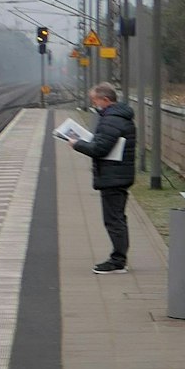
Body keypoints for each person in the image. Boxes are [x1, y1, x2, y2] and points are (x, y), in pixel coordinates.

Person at [73, 82, 137, 273]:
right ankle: (119, 258)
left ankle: (118, 261)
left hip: (113, 176)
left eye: (95, 101)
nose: (94, 105)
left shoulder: (112, 120)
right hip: (118, 174)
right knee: (117, 218)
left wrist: (77, 144)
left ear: (106, 100)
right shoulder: (119, 117)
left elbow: (100, 148)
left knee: (114, 220)